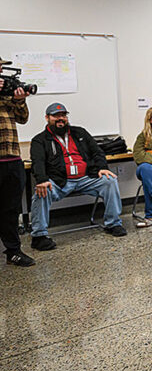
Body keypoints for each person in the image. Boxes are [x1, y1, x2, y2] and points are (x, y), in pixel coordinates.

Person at [29, 103, 127, 247]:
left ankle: (113, 224)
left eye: (63, 115)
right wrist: (42, 180)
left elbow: (97, 152)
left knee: (109, 181)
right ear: (47, 118)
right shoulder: (40, 140)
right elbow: (38, 162)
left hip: (86, 178)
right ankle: (39, 236)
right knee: (40, 193)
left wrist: (102, 168)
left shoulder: (79, 133)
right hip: (60, 182)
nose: (60, 119)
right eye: (56, 116)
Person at [0, 63, 36, 266]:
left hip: (12, 158)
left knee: (11, 209)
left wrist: (20, 100)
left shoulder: (7, 90)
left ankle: (13, 251)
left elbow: (23, 118)